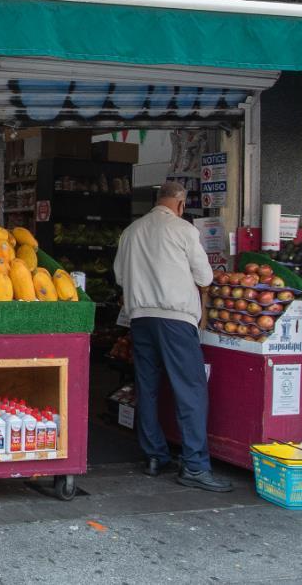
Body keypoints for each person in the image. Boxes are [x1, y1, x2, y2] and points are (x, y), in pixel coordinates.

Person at [113, 181, 232, 493]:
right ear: (180, 204)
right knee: (190, 390)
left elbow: (120, 277)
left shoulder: (131, 231)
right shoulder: (184, 231)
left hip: (141, 320)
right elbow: (205, 277)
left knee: (147, 388)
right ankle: (194, 464)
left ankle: (154, 455)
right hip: (176, 320)